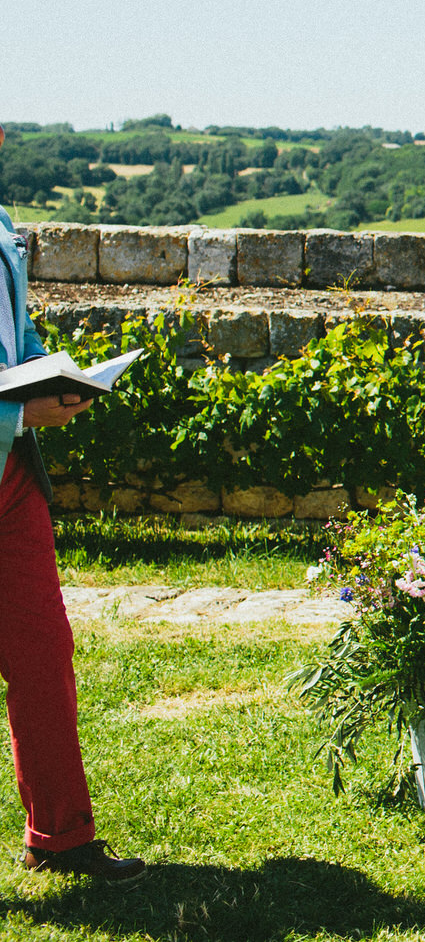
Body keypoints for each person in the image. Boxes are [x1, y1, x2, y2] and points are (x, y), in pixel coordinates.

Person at [0, 127, 146, 880]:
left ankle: (60, 835)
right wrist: (21, 413)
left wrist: (49, 377)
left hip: (9, 478)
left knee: (43, 648)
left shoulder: (0, 227)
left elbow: (13, 337)